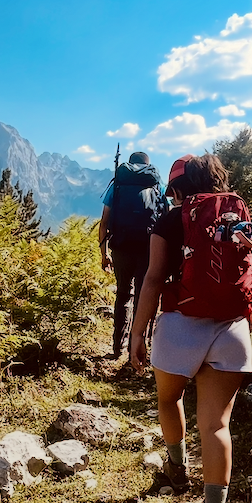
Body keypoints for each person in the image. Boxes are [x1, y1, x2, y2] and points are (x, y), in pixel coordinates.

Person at [129, 153, 252, 503]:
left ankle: (177, 469)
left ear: (180, 188)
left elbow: (152, 279)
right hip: (232, 328)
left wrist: (137, 333)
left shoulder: (169, 219)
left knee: (170, 398)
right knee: (216, 427)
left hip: (181, 326)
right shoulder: (239, 217)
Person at [98, 150, 166, 359]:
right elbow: (166, 218)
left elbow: (104, 223)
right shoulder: (156, 184)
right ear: (148, 165)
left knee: (122, 295)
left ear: (129, 164)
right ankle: (137, 350)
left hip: (121, 247)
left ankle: (117, 347)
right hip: (148, 249)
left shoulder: (118, 184)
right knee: (143, 297)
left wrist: (104, 253)